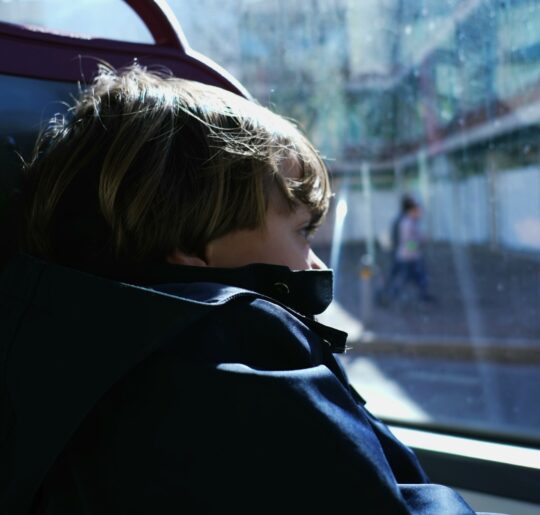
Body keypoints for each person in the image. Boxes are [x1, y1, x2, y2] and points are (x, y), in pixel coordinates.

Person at [0, 65, 490, 514]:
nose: (315, 263)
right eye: (301, 232)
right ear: (190, 240)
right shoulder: (240, 353)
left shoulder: (43, 333)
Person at [378, 195, 435, 306]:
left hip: (408, 257)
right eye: (417, 209)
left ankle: (388, 296)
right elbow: (407, 244)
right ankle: (387, 296)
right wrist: (420, 243)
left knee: (415, 278)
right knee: (404, 279)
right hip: (407, 257)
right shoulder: (407, 223)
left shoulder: (409, 222)